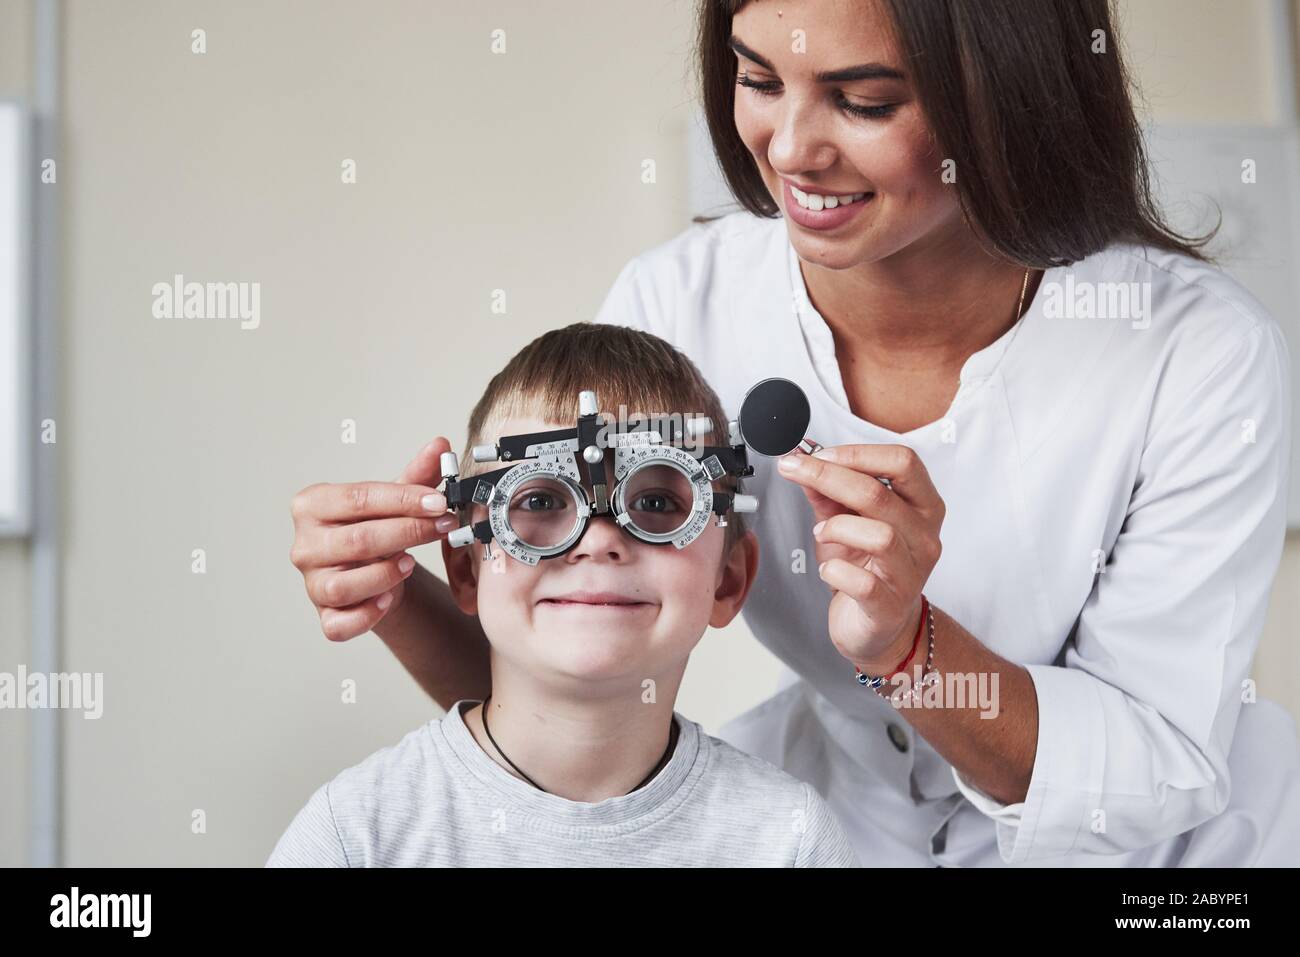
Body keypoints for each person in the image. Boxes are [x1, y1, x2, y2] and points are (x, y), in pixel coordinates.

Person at [287, 0, 1299, 865]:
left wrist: (911, 650)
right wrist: (397, 600)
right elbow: (579, 678)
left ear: (1007, 90)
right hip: (842, 811)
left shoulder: (1194, 353)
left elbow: (1145, 777)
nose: (790, 149)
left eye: (864, 101)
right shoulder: (679, 304)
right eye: (757, 79)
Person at [270, 323, 859, 867]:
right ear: (466, 571)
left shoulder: (789, 841)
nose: (598, 541)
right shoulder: (356, 837)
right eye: (539, 500)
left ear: (727, 580)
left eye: (655, 504)